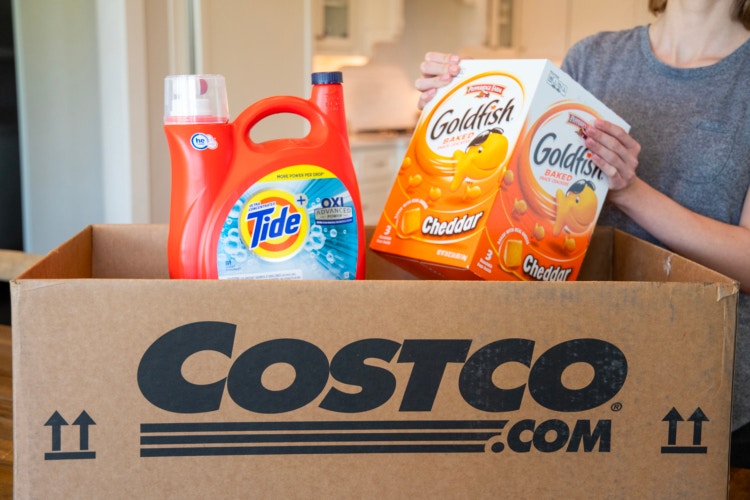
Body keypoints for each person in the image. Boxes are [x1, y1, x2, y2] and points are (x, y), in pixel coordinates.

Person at [415, 0, 750, 468]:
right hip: (575, 361)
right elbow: (523, 200)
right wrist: (459, 113)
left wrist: (629, 191)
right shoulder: (593, 58)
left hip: (696, 382)